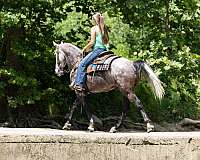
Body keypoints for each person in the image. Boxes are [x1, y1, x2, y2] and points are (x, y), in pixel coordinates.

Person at [72, 12, 109, 91]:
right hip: (104, 50)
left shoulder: (94, 28)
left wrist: (84, 49)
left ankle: (79, 84)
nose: (91, 21)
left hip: (97, 50)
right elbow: (106, 41)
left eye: (92, 19)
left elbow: (92, 42)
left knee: (82, 64)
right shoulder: (104, 28)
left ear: (94, 20)